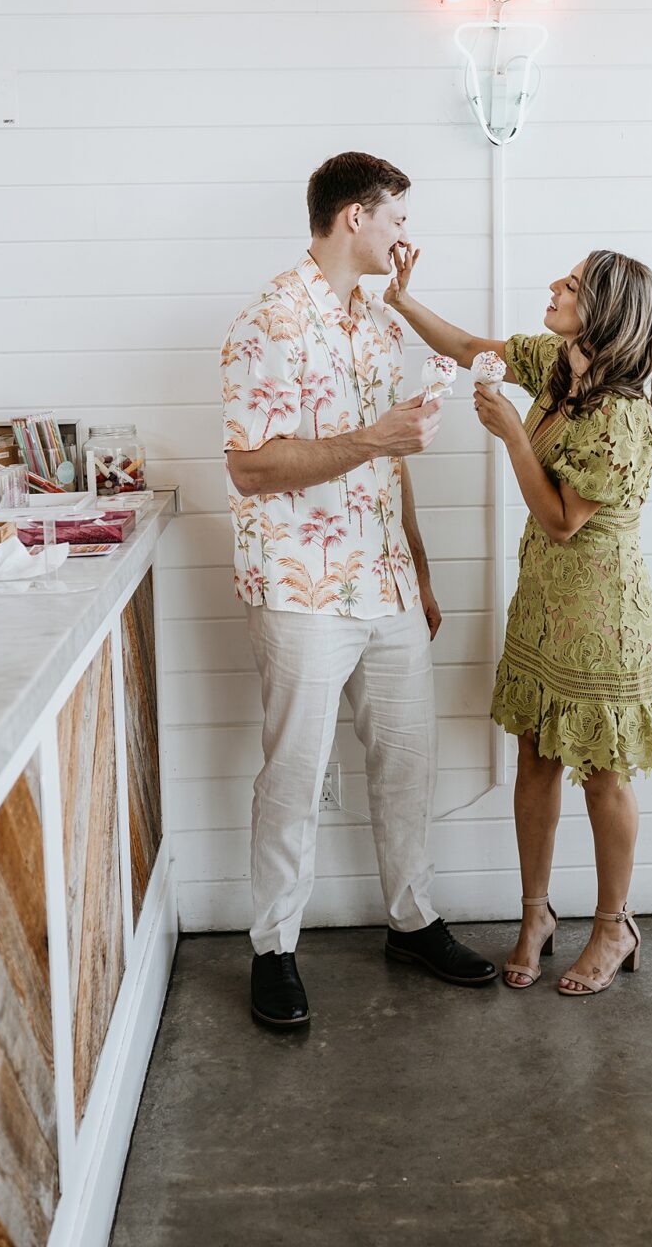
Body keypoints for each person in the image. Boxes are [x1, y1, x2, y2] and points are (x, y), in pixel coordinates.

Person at [222, 152, 497, 1030]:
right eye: (397, 220)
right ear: (354, 218)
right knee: (294, 773)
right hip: (300, 583)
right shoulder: (267, 319)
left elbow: (394, 462)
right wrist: (370, 437)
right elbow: (250, 466)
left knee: (407, 761)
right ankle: (273, 947)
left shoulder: (381, 327)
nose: (405, 235)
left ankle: (411, 921)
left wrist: (417, 567)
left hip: (384, 582)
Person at [385, 245, 652, 997]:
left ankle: (614, 925)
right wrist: (401, 300)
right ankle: (537, 916)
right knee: (536, 759)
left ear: (605, 312)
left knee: (602, 775)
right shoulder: (554, 362)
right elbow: (467, 346)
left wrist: (514, 434)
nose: (554, 285)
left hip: (604, 616)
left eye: (572, 284)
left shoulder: (624, 416)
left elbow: (560, 521)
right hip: (543, 610)